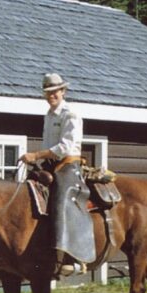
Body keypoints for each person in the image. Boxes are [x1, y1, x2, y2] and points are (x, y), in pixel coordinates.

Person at [20, 73, 96, 276]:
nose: (51, 95)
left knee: (63, 199)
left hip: (68, 165)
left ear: (63, 91)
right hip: (49, 164)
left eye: (55, 91)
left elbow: (65, 146)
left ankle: (72, 257)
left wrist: (35, 154)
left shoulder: (70, 113)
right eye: (48, 92)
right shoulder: (49, 114)